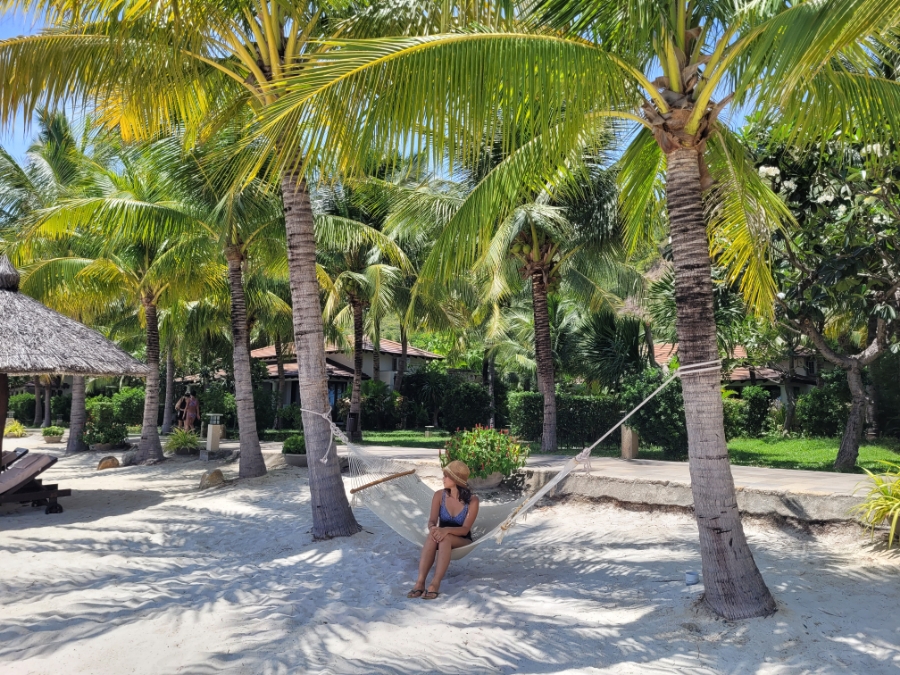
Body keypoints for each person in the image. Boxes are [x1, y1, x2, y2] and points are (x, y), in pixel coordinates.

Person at [407, 460, 479, 600]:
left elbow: (465, 530)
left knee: (444, 538)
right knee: (433, 536)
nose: (443, 479)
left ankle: (435, 583)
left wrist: (445, 530)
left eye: (446, 476)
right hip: (441, 535)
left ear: (456, 480)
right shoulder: (439, 495)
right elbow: (432, 521)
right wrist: (433, 528)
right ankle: (420, 582)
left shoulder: (473, 500)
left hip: (462, 540)